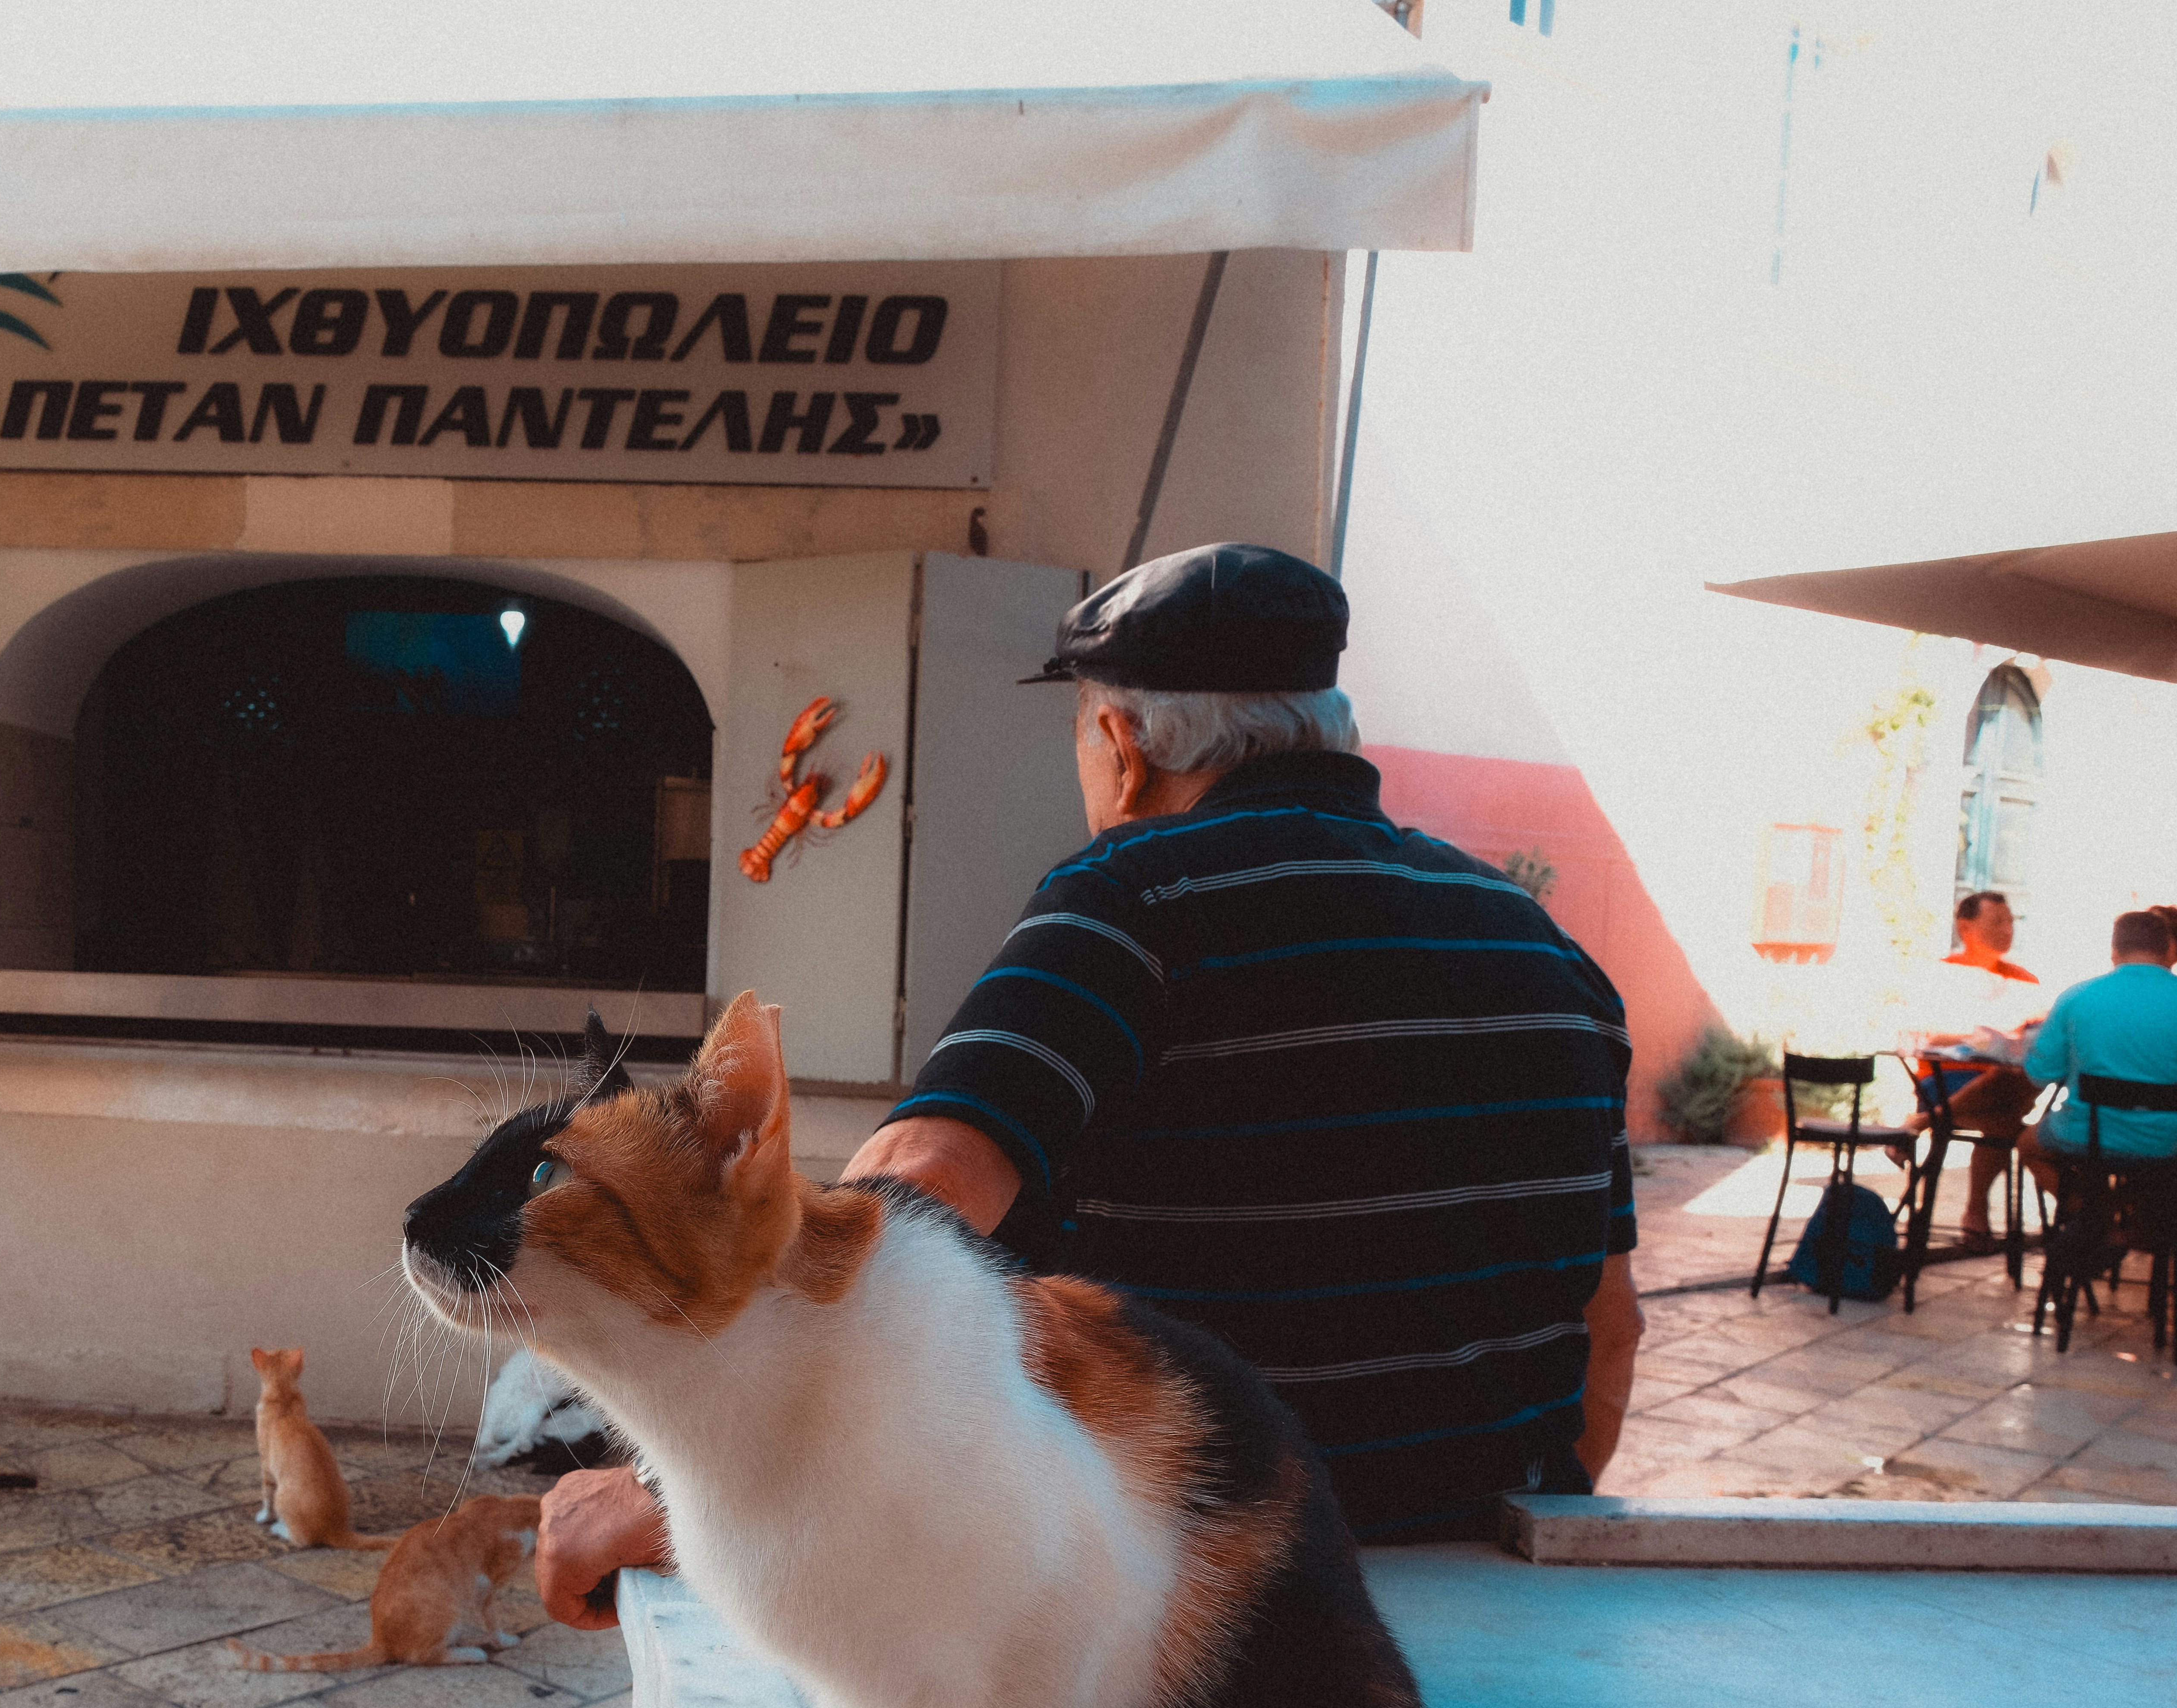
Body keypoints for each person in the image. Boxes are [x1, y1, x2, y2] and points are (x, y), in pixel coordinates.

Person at [537, 543, 1643, 1628]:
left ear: (1121, 745)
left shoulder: (1132, 904)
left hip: (1198, 1615)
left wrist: (694, 1479)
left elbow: (913, 1195)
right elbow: (1614, 1331)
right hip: (1501, 1594)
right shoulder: (1548, 951)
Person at [2016, 905, 2177, 1203]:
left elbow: (2040, 1073)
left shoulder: (2077, 997)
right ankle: (2137, 1218)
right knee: (2173, 1166)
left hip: (2087, 1135)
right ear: (2169, 949)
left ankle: (2094, 1216)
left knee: (2029, 1145)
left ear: (2114, 951)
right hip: (2176, 1142)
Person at [1900, 890, 2046, 1248]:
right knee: (2006, 1119)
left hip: (2008, 1081)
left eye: (2010, 922)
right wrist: (1984, 1037)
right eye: (1997, 922)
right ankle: (1976, 1210)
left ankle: (1922, 1122)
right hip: (1948, 1077)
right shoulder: (1942, 974)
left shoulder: (2024, 980)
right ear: (1966, 928)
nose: (2007, 930)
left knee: (2020, 1078)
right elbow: (1923, 1033)